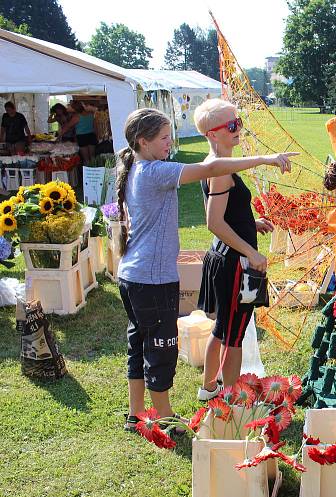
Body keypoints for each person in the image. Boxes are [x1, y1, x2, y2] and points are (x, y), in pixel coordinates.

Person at [115, 107, 296, 432]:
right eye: (164, 138)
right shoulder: (155, 171)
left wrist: (246, 222)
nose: (170, 143)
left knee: (139, 345)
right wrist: (265, 159)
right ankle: (165, 419)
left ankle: (135, 413)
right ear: (143, 142)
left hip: (132, 276)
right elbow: (211, 168)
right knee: (161, 349)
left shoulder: (139, 168)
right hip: (152, 280)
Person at [193, 99, 288, 400]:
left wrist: (250, 221)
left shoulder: (218, 165)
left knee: (222, 329)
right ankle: (232, 398)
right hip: (233, 262)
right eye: (231, 126)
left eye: (238, 123)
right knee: (233, 336)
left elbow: (223, 212)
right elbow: (213, 222)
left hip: (225, 257)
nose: (238, 130)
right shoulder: (219, 170)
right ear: (212, 134)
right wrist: (251, 251)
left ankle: (209, 389)